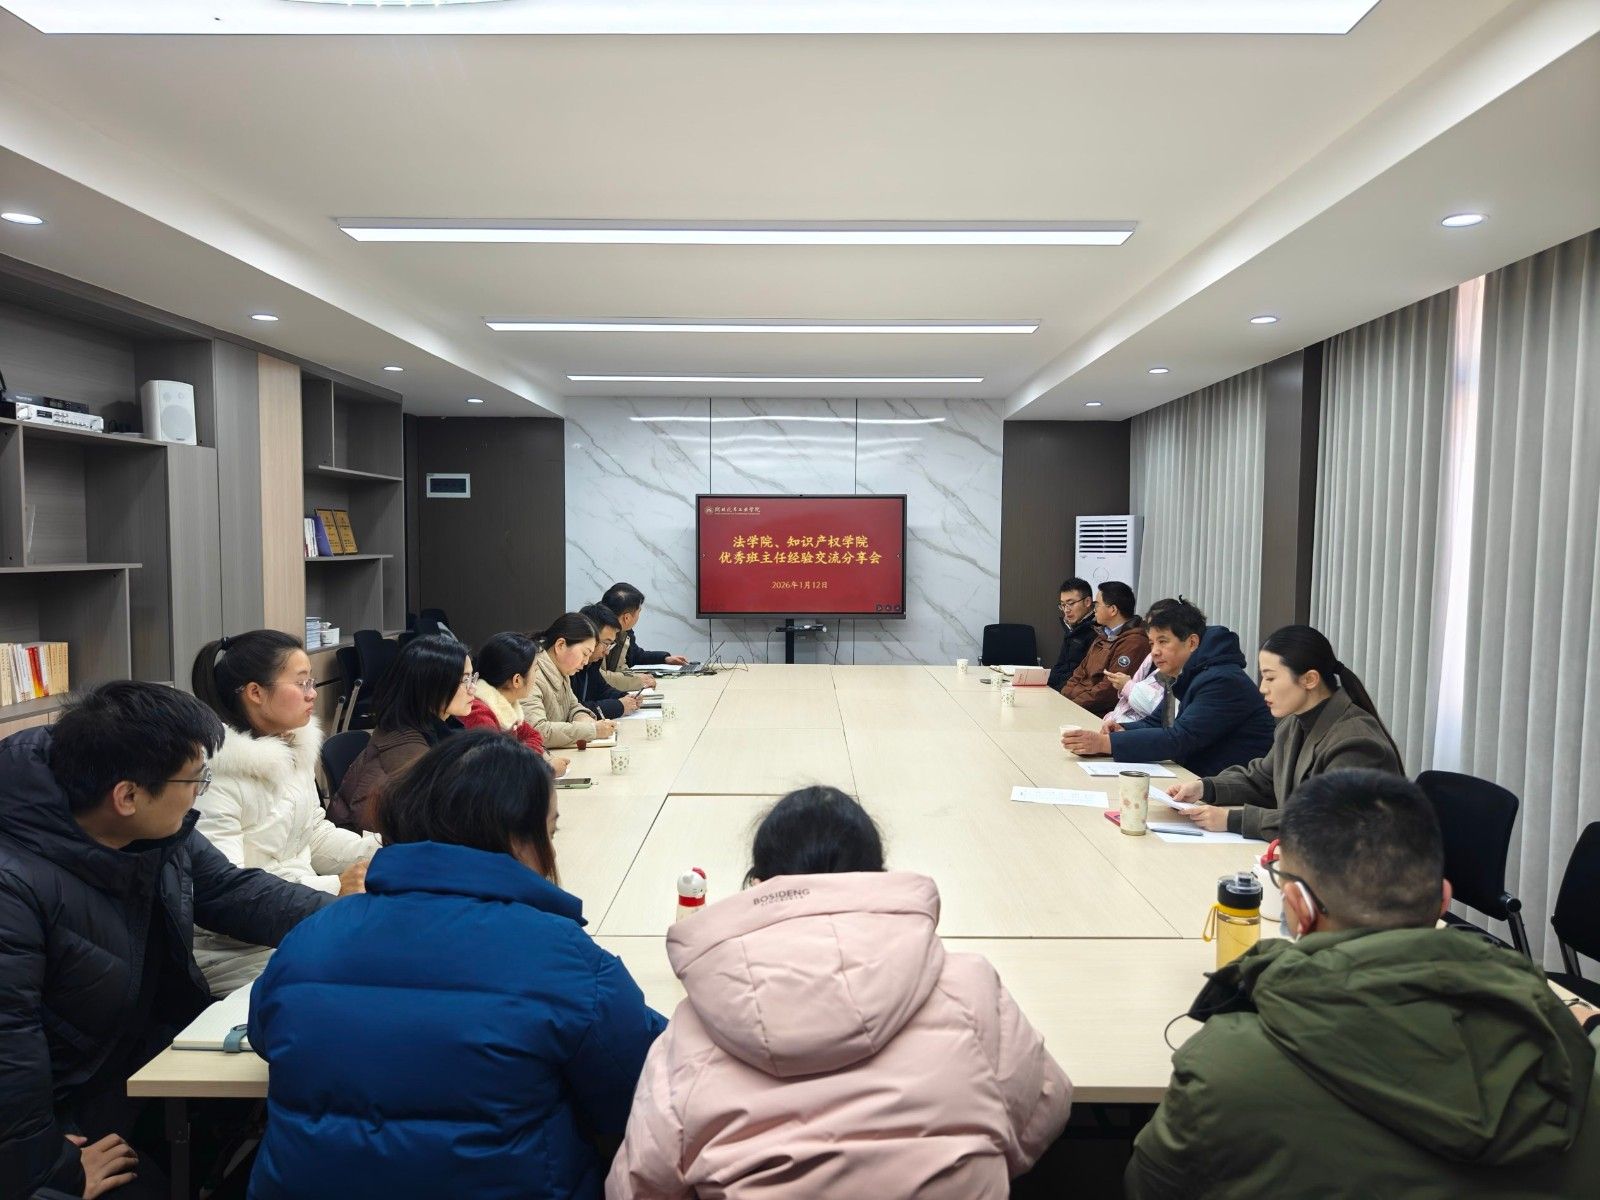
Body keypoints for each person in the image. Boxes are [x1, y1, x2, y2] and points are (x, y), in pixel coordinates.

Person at [1126, 770, 1600, 1199]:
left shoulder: (1224, 1068)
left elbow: (1147, 1185)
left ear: (1298, 908)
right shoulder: (1571, 1051)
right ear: (1443, 901)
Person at [248, 731, 667, 1200]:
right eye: (548, 833)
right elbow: (645, 1085)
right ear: (514, 838)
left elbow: (265, 1036)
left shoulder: (310, 938)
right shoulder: (561, 957)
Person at [607, 786, 1073, 1199]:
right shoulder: (969, 987)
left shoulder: (692, 1033)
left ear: (758, 885)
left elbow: (641, 1186)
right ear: (878, 876)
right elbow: (1044, 1109)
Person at [0, 682, 332, 1200]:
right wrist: (48, 1170)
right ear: (127, 796)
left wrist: (355, 921)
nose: (201, 790)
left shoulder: (153, 828)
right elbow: (9, 1047)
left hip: (140, 1049)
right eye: (196, 778)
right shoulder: (14, 882)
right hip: (66, 1104)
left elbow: (232, 891)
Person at [187, 631, 379, 995]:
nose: (313, 693)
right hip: (234, 950)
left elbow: (313, 835)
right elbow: (226, 893)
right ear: (255, 692)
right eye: (302, 682)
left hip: (299, 917)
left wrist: (378, 856)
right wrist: (336, 887)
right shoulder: (215, 775)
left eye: (312, 682)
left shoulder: (289, 747)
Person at [1164, 625, 1405, 837]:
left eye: (1270, 678)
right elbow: (1263, 780)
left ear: (1310, 679)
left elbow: (1328, 821)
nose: (1262, 688)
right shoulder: (1293, 724)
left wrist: (1232, 820)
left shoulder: (1356, 741)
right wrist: (1205, 787)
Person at [1062, 599, 1274, 778]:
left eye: (1163, 642)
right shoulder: (1186, 672)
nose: (1154, 652)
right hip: (1193, 779)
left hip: (1227, 789)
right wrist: (1122, 730)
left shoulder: (1222, 680)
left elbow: (1180, 738)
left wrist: (1106, 744)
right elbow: (1158, 721)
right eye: (1152, 643)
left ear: (1192, 643)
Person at [327, 635, 475, 833]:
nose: (473, 689)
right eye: (465, 680)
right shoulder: (407, 753)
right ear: (431, 684)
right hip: (370, 845)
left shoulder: (423, 724)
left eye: (472, 677)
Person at [460, 631, 571, 778]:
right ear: (517, 680)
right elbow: (498, 768)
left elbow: (533, 736)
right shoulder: (478, 712)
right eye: (535, 670)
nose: (536, 675)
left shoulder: (507, 705)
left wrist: (523, 758)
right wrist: (545, 768)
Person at [524, 612, 618, 750]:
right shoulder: (532, 674)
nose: (585, 661)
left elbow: (573, 706)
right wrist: (593, 730)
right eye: (584, 653)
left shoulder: (561, 670)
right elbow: (538, 731)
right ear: (560, 645)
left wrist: (584, 718)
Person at [1060, 581, 1150, 716]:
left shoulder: (1134, 642)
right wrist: (1064, 697)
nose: (1094, 609)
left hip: (1099, 714)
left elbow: (1108, 690)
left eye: (1097, 605)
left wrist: (1072, 705)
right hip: (1077, 706)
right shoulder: (1103, 634)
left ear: (1113, 610)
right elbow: (1080, 672)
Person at [1098, 598, 1180, 730]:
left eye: (1162, 640)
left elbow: (1162, 715)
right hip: (1120, 723)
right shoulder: (1151, 655)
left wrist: (1127, 685)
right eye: (1149, 626)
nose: (1155, 650)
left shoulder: (1183, 669)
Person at [574, 603, 645, 721]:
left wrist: (625, 697)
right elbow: (574, 709)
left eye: (610, 645)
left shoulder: (591, 663)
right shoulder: (570, 665)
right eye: (606, 643)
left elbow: (601, 690)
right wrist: (619, 706)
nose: (606, 652)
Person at [600, 582, 688, 677]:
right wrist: (637, 680)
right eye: (639, 612)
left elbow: (635, 656)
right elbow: (599, 677)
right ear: (627, 618)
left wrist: (665, 659)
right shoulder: (595, 633)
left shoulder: (624, 631)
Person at [1046, 577, 1098, 693]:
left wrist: (1056, 692)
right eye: (1063, 605)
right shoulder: (1071, 627)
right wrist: (1044, 683)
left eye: (1070, 603)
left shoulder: (1097, 631)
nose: (1066, 610)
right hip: (1058, 690)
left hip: (1072, 694)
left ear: (1087, 602)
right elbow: (1060, 666)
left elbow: (1085, 678)